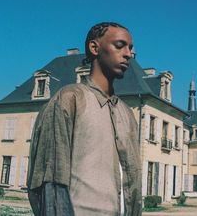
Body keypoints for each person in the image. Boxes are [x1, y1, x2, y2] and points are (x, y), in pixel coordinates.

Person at [27, 22, 142, 216]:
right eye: (120, 45)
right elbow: (51, 183)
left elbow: (133, 188)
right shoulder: (70, 99)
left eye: (130, 48)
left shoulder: (127, 114)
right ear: (94, 47)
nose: (129, 54)